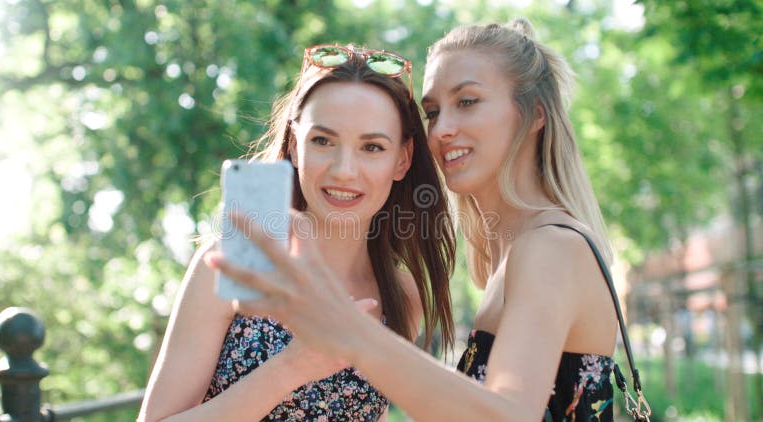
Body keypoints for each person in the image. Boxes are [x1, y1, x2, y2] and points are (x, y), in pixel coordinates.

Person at [206, 19, 626, 421]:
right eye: (432, 111)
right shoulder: (511, 258)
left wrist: (348, 331)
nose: (442, 129)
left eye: (467, 102)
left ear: (535, 113)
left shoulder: (550, 246)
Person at [139, 44, 456, 421]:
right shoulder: (230, 264)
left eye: (372, 147)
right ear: (293, 144)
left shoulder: (402, 295)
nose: (344, 170)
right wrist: (293, 366)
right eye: (322, 140)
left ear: (401, 159)